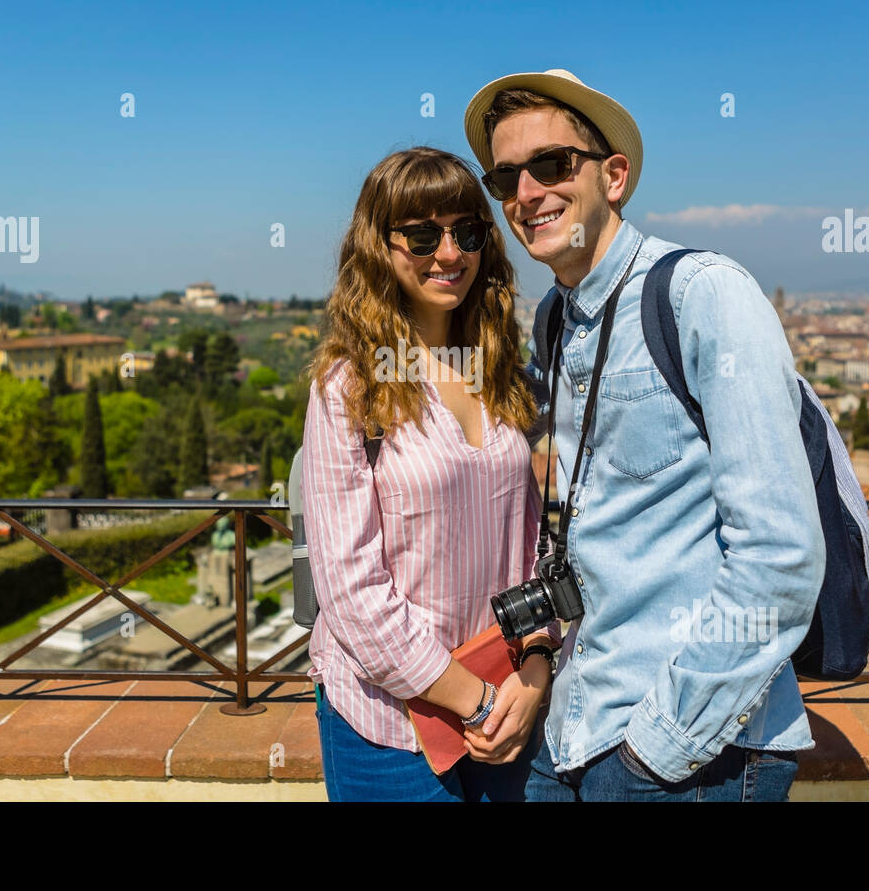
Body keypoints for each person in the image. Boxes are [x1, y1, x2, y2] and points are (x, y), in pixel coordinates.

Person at [461, 69, 826, 801]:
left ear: (614, 176)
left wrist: (658, 748)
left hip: (690, 756)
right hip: (573, 728)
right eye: (506, 177)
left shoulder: (702, 294)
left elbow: (782, 553)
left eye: (553, 164)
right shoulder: (555, 321)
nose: (526, 192)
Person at [301, 146, 561, 802]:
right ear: (378, 246)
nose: (449, 254)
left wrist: (533, 669)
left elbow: (533, 546)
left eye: (466, 232)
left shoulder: (501, 375)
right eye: (422, 234)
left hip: (506, 706)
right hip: (391, 730)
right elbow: (352, 591)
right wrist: (471, 699)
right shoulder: (350, 388)